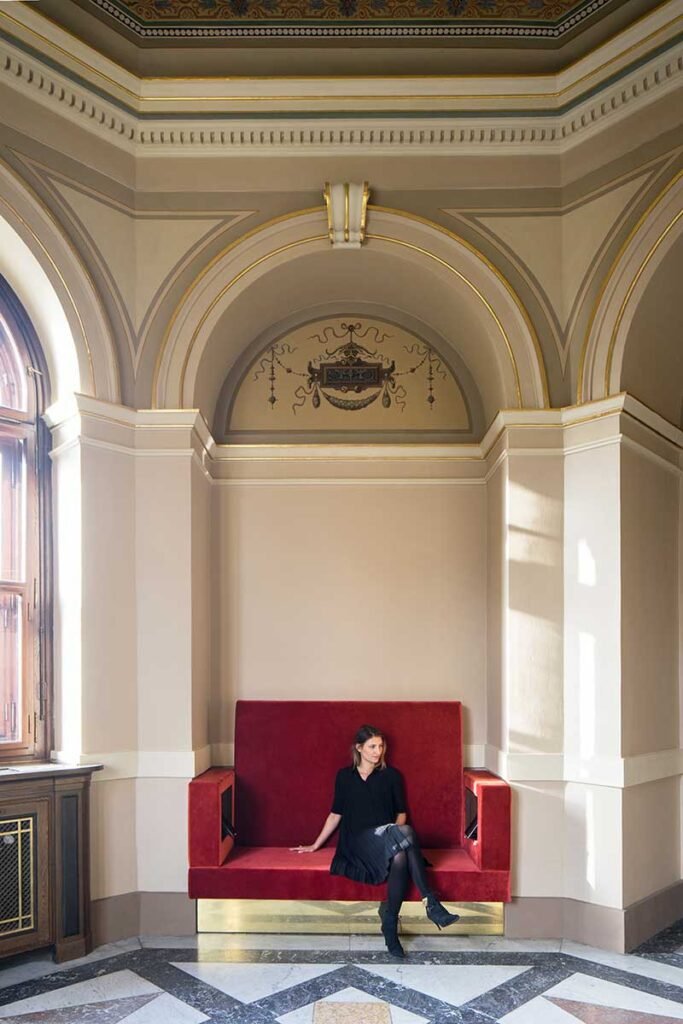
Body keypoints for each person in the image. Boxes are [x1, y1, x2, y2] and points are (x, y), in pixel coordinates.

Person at [290, 723, 459, 957]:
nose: (377, 751)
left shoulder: (391, 776)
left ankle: (390, 926)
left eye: (380, 746)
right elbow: (335, 814)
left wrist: (393, 838)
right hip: (357, 840)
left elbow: (401, 813)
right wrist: (315, 844)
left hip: (385, 835)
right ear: (359, 748)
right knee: (406, 834)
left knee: (400, 853)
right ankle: (430, 902)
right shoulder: (344, 776)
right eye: (371, 746)